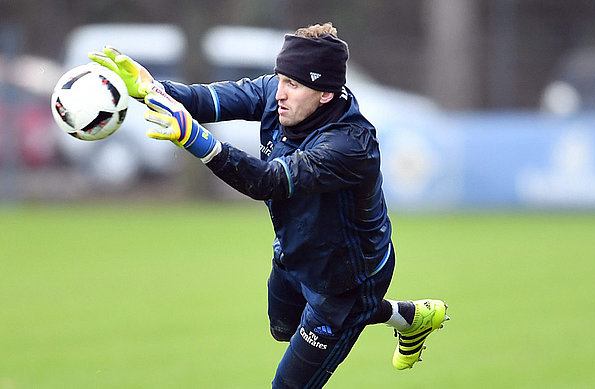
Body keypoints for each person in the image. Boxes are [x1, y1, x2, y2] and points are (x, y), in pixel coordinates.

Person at [90, 22, 449, 388]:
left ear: (325, 94)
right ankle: (409, 317)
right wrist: (153, 90)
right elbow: (205, 100)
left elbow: (268, 181)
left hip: (345, 282)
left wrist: (196, 140)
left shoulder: (349, 145)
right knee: (283, 329)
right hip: (295, 253)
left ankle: (368, 312)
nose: (280, 93)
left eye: (293, 84)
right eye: (280, 78)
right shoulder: (275, 94)